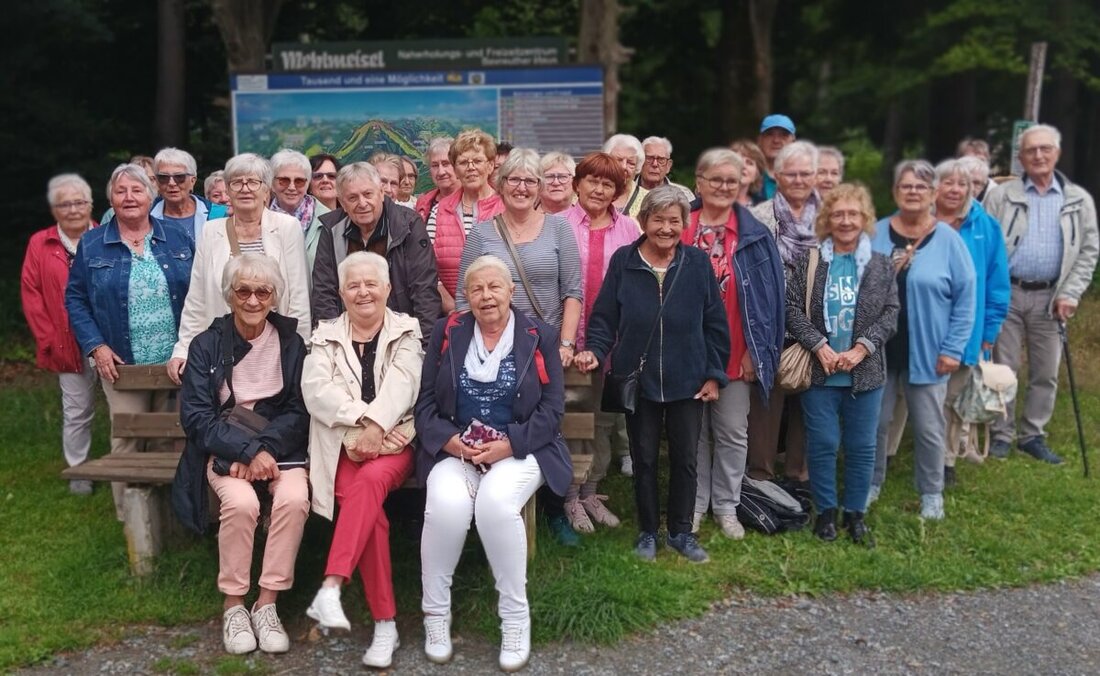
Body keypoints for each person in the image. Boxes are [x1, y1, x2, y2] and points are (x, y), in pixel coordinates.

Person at [414, 256, 572, 672]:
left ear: (511, 291)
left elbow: (553, 410)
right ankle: (435, 614)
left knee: (495, 505)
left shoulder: (539, 335)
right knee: (444, 506)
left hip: (520, 449)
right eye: (477, 289)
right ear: (466, 296)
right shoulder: (448, 332)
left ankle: (515, 619)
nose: (486, 296)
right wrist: (449, 442)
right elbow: (426, 402)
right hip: (459, 449)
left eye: (494, 287)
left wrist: (508, 445)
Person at [575, 185, 731, 563]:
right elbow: (604, 317)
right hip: (638, 379)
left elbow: (715, 323)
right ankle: (647, 531)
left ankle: (681, 532)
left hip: (688, 379)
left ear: (684, 224)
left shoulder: (697, 264)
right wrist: (595, 351)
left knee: (685, 459)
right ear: (644, 221)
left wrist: (713, 374)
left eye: (674, 221)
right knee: (643, 459)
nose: (666, 228)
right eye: (658, 219)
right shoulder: (624, 261)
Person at [170, 254, 310, 656]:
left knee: (294, 498)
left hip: (279, 449)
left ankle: (267, 603)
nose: (252, 300)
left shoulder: (291, 343)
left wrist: (264, 450)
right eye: (243, 291)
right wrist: (247, 452)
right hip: (224, 449)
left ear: (274, 296)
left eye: (262, 291)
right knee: (242, 503)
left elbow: (299, 410)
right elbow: (197, 419)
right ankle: (233, 604)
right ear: (229, 295)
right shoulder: (206, 345)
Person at [455, 148, 584, 546]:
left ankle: (555, 508)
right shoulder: (482, 234)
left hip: (544, 348)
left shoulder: (559, 229)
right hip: (495, 348)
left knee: (549, 426)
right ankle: (490, 500)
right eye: (514, 179)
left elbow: (573, 291)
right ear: (501, 183)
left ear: (541, 187)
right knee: (504, 422)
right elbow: (463, 296)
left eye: (531, 181)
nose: (522, 187)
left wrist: (565, 342)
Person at [301, 252, 424, 669]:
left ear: (388, 288)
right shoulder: (325, 336)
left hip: (396, 443)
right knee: (371, 518)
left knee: (369, 485)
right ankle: (384, 624)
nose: (363, 292)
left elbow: (404, 384)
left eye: (371, 283)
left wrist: (377, 428)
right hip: (342, 447)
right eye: (353, 285)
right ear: (340, 293)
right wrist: (362, 425)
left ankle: (332, 587)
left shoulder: (407, 330)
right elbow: (317, 390)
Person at [66, 164, 194, 515]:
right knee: (127, 439)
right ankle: (131, 520)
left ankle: (170, 517)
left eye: (137, 190)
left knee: (171, 439)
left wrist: (191, 347)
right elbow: (75, 299)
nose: (129, 197)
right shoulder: (93, 243)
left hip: (174, 362)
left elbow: (199, 293)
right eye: (121, 191)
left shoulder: (177, 237)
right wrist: (96, 346)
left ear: (151, 197)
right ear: (111, 199)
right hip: (122, 365)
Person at [786, 183, 898, 544]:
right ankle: (826, 512)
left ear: (865, 219)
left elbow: (891, 314)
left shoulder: (881, 264)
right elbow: (791, 309)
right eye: (838, 214)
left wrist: (862, 349)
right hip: (821, 371)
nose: (846, 221)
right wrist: (819, 346)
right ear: (827, 220)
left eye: (853, 214)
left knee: (862, 446)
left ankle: (855, 514)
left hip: (865, 372)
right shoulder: (811, 261)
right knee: (823, 443)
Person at [683, 149, 785, 540]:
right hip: (687, 351)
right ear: (699, 182)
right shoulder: (680, 224)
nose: (724, 187)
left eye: (731, 180)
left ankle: (727, 505)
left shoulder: (755, 233)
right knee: (692, 433)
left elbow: (771, 299)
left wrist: (754, 353)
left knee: (731, 431)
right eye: (716, 179)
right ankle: (694, 503)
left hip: (736, 350)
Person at [984, 124, 1099, 462]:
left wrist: (1071, 293)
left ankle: (1032, 434)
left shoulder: (1078, 199)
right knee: (1003, 368)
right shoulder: (1002, 196)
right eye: (1030, 150)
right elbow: (985, 245)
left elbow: (1089, 251)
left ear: (1056, 154)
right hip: (1007, 292)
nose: (1038, 155)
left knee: (1046, 371)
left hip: (1052, 296)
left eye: (1045, 149)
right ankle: (1001, 433)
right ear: (1020, 158)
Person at [870, 160, 976, 520]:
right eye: (906, 186)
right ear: (895, 192)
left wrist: (953, 348)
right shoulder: (876, 233)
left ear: (933, 194)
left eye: (921, 187)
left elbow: (966, 298)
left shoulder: (949, 240)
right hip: (879, 349)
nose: (913, 192)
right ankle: (869, 483)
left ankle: (932, 493)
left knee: (930, 428)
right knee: (875, 423)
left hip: (929, 352)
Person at [167, 153, 312, 385]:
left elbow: (298, 295)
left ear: (266, 190)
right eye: (237, 182)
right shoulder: (211, 231)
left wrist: (298, 350)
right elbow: (197, 298)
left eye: (253, 182)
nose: (245, 189)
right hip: (224, 347)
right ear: (228, 190)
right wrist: (184, 348)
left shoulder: (287, 227)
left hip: (276, 345)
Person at [560, 152, 640, 533]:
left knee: (604, 423)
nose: (599, 189)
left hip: (613, 343)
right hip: (569, 342)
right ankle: (570, 498)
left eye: (608, 184)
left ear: (617, 191)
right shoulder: (557, 225)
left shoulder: (630, 230)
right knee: (575, 422)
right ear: (578, 184)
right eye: (592, 180)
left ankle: (592, 491)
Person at [747, 141, 821, 504]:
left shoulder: (829, 216)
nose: (798, 180)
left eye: (806, 173)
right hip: (770, 323)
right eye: (791, 174)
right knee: (765, 403)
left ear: (816, 176)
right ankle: (760, 477)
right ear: (776, 176)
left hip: (817, 326)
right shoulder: (759, 217)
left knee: (809, 404)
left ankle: (799, 476)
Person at [932, 159, 1010, 484]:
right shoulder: (918, 217)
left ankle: (946, 461)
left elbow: (997, 284)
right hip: (921, 326)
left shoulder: (987, 227)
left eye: (965, 184)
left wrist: (989, 331)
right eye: (948, 182)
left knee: (953, 399)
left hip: (966, 328)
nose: (957, 189)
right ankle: (890, 455)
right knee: (906, 397)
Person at [21, 173, 99, 495]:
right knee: (77, 409)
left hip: (110, 340)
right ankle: (79, 471)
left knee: (124, 406)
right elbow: (31, 294)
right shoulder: (40, 243)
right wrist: (48, 339)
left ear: (90, 205)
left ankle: (129, 467)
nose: (73, 209)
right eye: (64, 204)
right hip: (66, 341)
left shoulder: (107, 235)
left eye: (79, 202)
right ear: (54, 210)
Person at [312, 162, 442, 342]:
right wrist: (330, 343)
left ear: (381, 193)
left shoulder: (408, 225)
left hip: (402, 334)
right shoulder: (332, 229)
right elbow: (324, 292)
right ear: (342, 202)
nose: (362, 203)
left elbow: (424, 291)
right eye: (352, 198)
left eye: (368, 194)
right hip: (347, 335)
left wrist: (423, 346)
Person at [432, 130, 503, 314]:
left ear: (490, 165)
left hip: (501, 311)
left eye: (477, 161)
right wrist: (455, 307)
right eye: (463, 162)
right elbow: (428, 268)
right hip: (453, 311)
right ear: (456, 170)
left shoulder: (506, 208)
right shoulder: (439, 210)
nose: (471, 168)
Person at [270, 149, 331, 273]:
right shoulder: (258, 219)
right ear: (272, 183)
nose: (292, 187)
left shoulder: (330, 221)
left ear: (307, 184)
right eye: (284, 181)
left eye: (299, 181)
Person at [150, 147, 228, 241]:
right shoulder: (146, 217)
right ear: (157, 181)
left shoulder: (219, 214)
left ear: (192, 181)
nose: (171, 183)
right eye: (163, 177)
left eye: (179, 177)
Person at [414, 137, 457, 242]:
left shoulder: (469, 200)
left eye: (446, 164)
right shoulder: (423, 202)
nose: (441, 172)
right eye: (435, 165)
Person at [603, 134, 648, 218]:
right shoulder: (588, 194)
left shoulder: (648, 199)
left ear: (637, 167)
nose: (624, 167)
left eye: (630, 163)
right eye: (618, 160)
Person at [757, 114, 797, 199]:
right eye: (769, 134)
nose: (776, 140)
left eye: (783, 135)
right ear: (760, 140)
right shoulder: (748, 176)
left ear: (793, 141)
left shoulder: (804, 175)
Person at [730, 139, 767, 206]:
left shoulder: (763, 206)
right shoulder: (712, 201)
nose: (743, 166)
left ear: (756, 175)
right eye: (737, 160)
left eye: (749, 163)